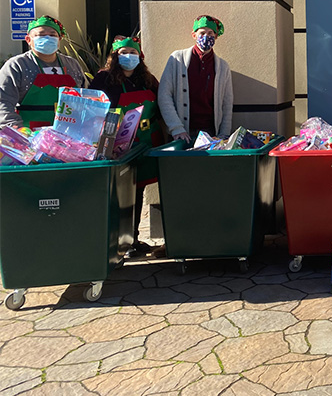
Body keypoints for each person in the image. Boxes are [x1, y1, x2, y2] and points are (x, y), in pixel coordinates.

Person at [90, 36, 163, 256]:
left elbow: (161, 106)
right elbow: (93, 108)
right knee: (119, 191)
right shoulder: (103, 79)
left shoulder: (148, 80)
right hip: (117, 144)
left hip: (146, 142)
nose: (128, 57)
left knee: (138, 189)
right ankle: (116, 242)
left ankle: (133, 239)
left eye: (133, 52)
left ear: (139, 56)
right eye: (123, 53)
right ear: (114, 55)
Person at [0, 15, 85, 130]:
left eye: (52, 35)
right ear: (28, 40)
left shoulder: (72, 65)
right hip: (29, 136)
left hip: (68, 136)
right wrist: (19, 132)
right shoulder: (17, 66)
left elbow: (86, 99)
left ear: (59, 39)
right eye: (41, 35)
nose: (47, 38)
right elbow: (3, 103)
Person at [158, 15, 233, 142]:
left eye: (210, 33)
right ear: (194, 35)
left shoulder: (223, 67)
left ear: (215, 36)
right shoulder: (177, 59)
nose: (206, 36)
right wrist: (176, 128)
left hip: (211, 133)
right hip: (182, 134)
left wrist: (224, 134)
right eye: (202, 33)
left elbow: (227, 103)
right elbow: (164, 95)